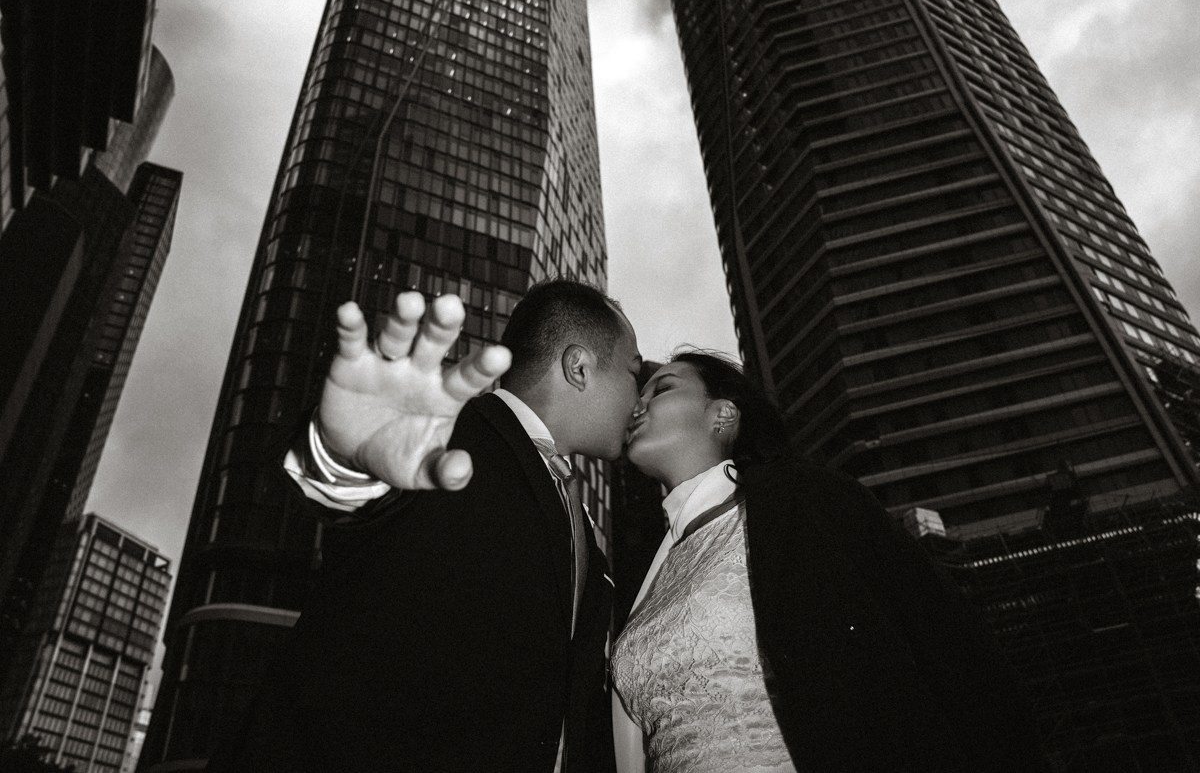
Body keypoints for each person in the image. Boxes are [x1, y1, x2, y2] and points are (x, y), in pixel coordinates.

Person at [210, 280, 642, 773]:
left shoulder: (580, 522)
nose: (640, 395)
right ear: (579, 367)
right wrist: (338, 457)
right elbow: (349, 489)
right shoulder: (446, 434)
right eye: (633, 372)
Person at [609, 351, 1051, 772]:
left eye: (661, 389)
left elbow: (950, 650)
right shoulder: (640, 568)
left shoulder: (808, 499)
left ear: (723, 414)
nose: (638, 404)